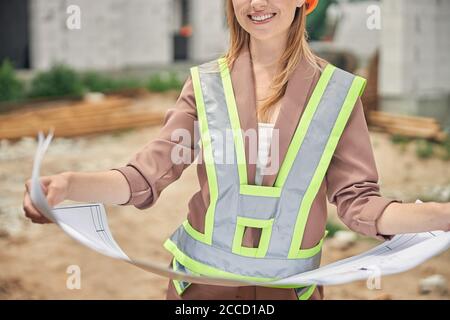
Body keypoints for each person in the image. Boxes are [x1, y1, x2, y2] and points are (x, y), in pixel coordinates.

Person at [23, 0, 449, 300]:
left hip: (291, 293)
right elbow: (143, 178)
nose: (257, 2)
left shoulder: (338, 94)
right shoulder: (205, 85)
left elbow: (359, 206)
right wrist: (68, 185)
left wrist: (439, 216)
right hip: (201, 289)